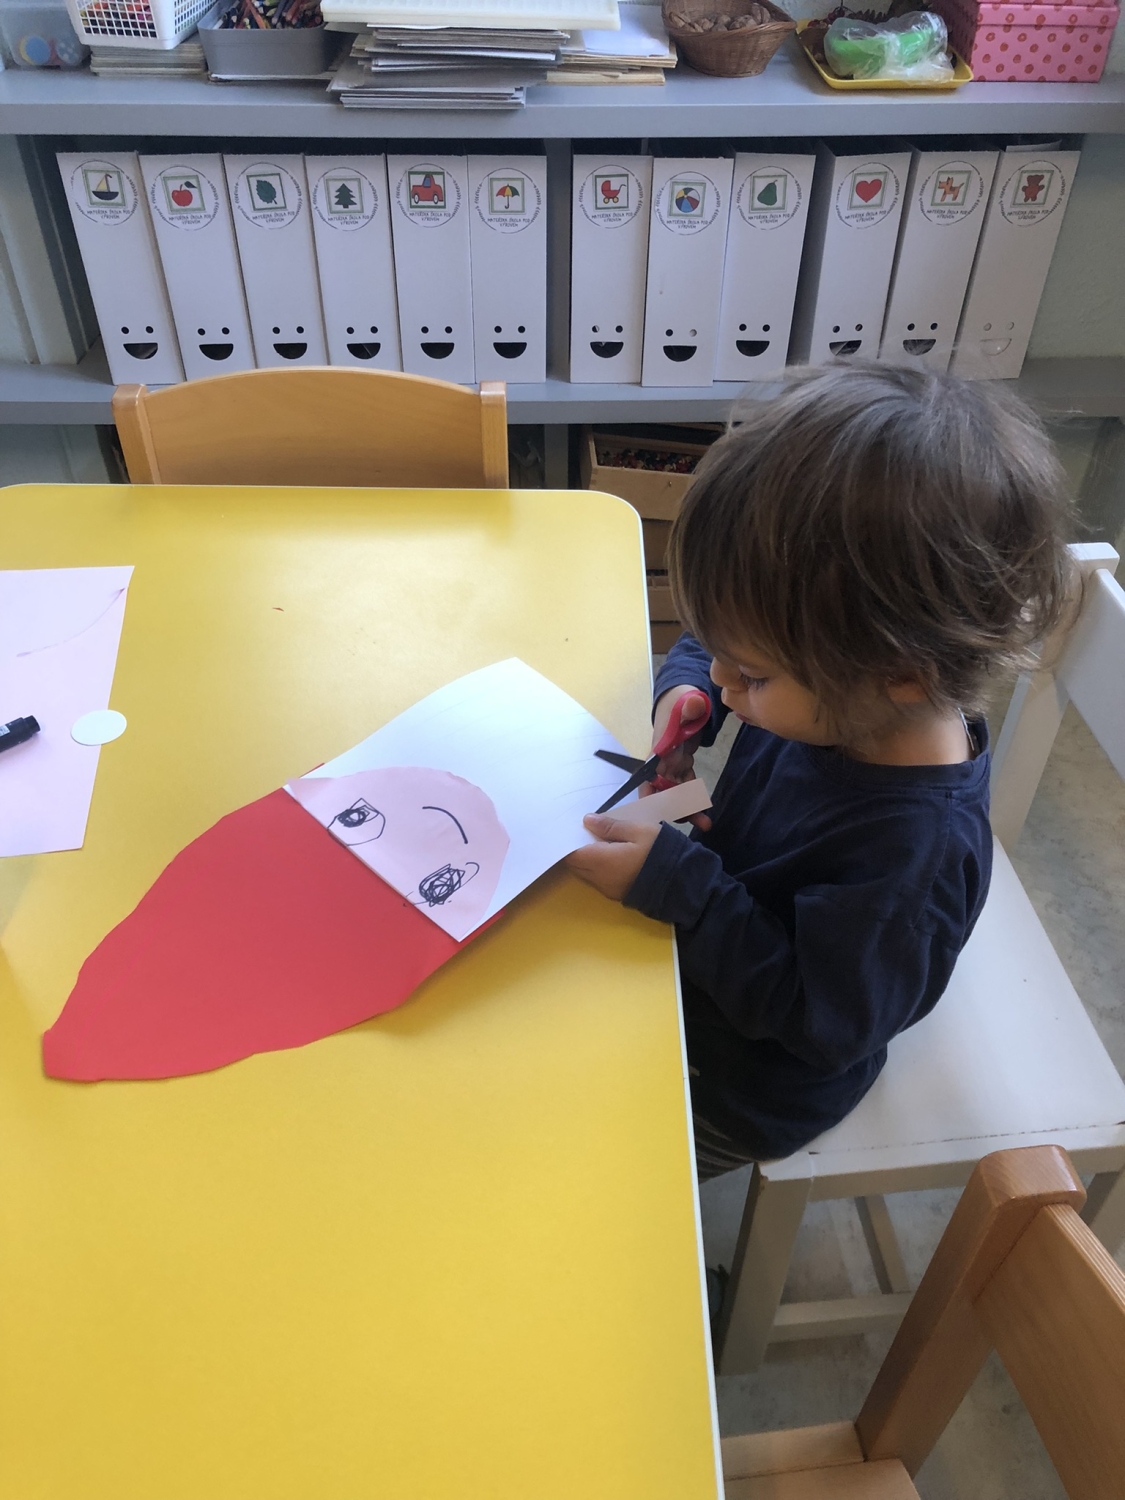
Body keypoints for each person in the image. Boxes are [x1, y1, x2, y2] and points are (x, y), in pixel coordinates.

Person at [567, 363, 1075, 1178]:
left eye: (749, 675)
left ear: (899, 674)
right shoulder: (850, 684)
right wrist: (688, 692)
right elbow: (722, 642)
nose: (726, 681)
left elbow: (815, 1021)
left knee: (570, 1160)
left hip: (739, 1085)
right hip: (701, 949)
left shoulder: (910, 861)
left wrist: (684, 888)